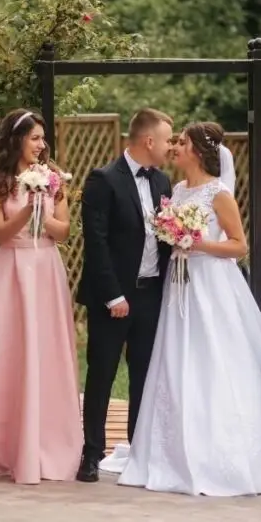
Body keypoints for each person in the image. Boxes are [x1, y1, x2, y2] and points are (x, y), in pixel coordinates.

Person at [101, 122, 261, 496]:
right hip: (178, 288)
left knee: (214, 359)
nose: (176, 147)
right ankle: (171, 450)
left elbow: (239, 245)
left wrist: (197, 244)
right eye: (174, 141)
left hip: (211, 285)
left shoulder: (219, 193)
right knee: (177, 361)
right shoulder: (176, 190)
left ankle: (223, 451)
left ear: (196, 150)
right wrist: (173, 237)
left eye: (182, 142)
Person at [0, 109, 82, 484]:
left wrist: (42, 216)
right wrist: (27, 209)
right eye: (35, 138)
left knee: (46, 352)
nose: (41, 145)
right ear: (17, 140)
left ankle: (48, 446)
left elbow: (63, 231)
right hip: (11, 269)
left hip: (45, 268)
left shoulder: (53, 179)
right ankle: (0, 447)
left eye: (43, 139)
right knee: (8, 351)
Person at [75, 108, 175, 482]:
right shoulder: (103, 179)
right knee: (101, 374)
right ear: (149, 141)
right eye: (167, 139)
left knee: (144, 376)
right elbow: (96, 243)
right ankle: (91, 454)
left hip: (151, 295)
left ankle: (140, 450)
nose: (170, 145)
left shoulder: (163, 181)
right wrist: (113, 295)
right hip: (113, 298)